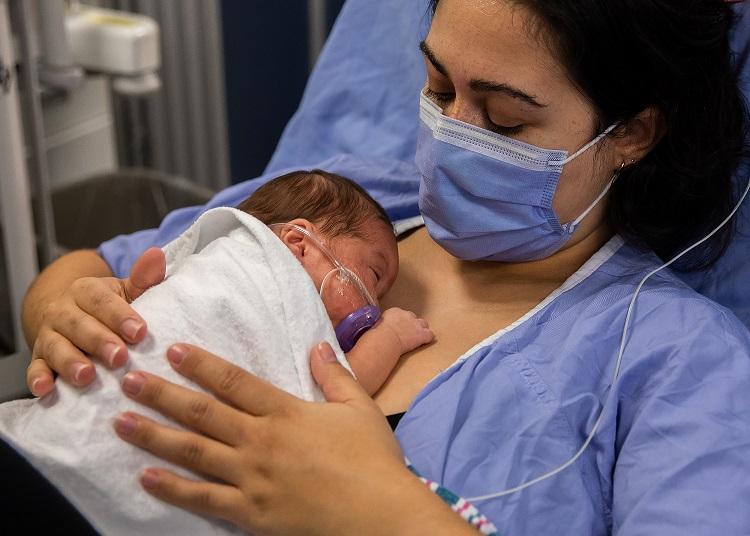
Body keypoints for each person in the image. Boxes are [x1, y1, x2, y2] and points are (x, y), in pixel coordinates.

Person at [17, 0, 750, 534]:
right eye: (437, 88)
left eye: (504, 120)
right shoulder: (350, 199)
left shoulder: (679, 362)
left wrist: (387, 514)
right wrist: (58, 308)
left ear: (633, 134)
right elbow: (95, 267)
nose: (450, 134)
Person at [0, 169, 437, 534]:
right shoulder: (262, 267)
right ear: (299, 242)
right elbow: (342, 389)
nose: (375, 308)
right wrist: (392, 338)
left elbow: (320, 434)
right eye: (374, 275)